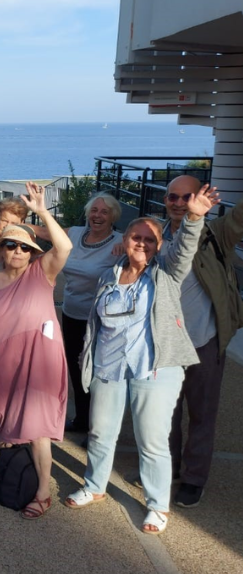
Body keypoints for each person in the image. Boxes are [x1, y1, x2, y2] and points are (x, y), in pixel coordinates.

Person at [65, 186, 217, 535]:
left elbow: (184, 251)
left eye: (150, 240)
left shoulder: (166, 275)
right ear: (126, 239)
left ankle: (156, 505)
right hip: (110, 366)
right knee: (101, 432)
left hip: (154, 368)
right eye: (137, 237)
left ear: (160, 245)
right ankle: (94, 485)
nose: (142, 244)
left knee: (152, 440)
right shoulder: (110, 275)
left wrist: (194, 217)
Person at [0, 182, 72, 519]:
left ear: (32, 252)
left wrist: (41, 212)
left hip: (38, 364)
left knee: (37, 429)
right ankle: (10, 473)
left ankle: (42, 490)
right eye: (9, 246)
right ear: (1, 249)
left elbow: (65, 246)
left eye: (23, 247)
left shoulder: (41, 274)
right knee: (5, 426)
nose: (16, 252)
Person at [161, 175, 243, 508]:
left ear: (201, 197)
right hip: (165, 341)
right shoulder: (155, 233)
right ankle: (167, 466)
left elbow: (239, 219)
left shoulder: (216, 233)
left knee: (201, 413)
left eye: (186, 197)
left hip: (204, 339)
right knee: (165, 412)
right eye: (172, 197)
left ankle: (194, 478)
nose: (179, 203)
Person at [57, 192, 122, 435]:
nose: (98, 215)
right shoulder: (74, 233)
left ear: (113, 216)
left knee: (97, 372)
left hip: (100, 320)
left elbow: (151, 241)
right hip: (71, 313)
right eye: (94, 210)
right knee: (75, 368)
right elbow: (44, 232)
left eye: (104, 212)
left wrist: (128, 243)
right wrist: (12, 221)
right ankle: (83, 419)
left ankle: (99, 429)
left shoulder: (121, 241)